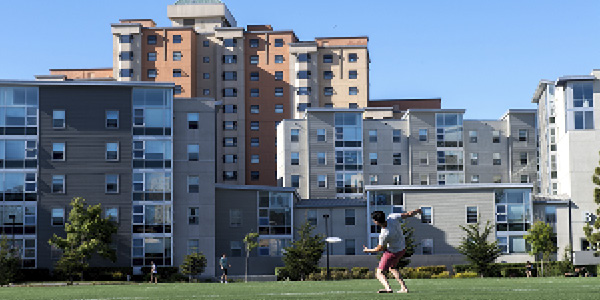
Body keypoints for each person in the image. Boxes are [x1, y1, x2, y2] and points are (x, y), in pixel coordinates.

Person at [363, 209, 422, 294]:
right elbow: (408, 214)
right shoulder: (393, 217)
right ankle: (404, 288)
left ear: (376, 222)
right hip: (402, 249)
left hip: (392, 252)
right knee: (392, 268)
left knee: (379, 273)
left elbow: (379, 249)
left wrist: (367, 250)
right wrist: (417, 211)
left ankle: (388, 289)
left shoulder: (384, 234)